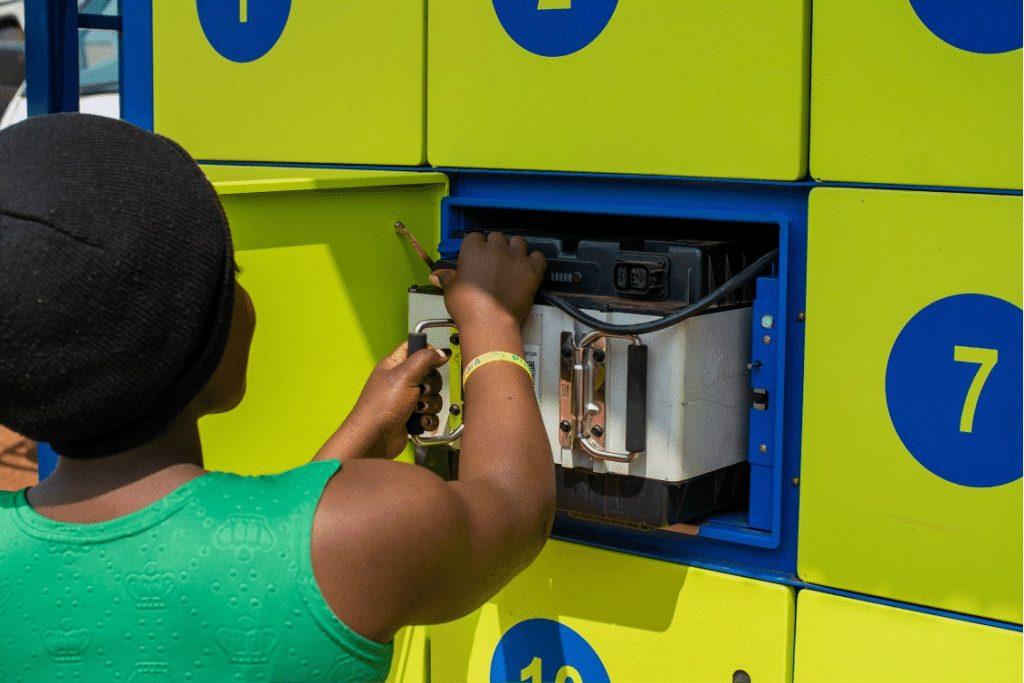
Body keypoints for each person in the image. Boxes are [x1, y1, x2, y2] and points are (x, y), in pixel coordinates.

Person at [0, 114, 554, 682]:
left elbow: (275, 565)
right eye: (230, 273)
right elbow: (516, 507)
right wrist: (490, 320)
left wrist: (355, 440)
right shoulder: (374, 524)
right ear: (196, 332)